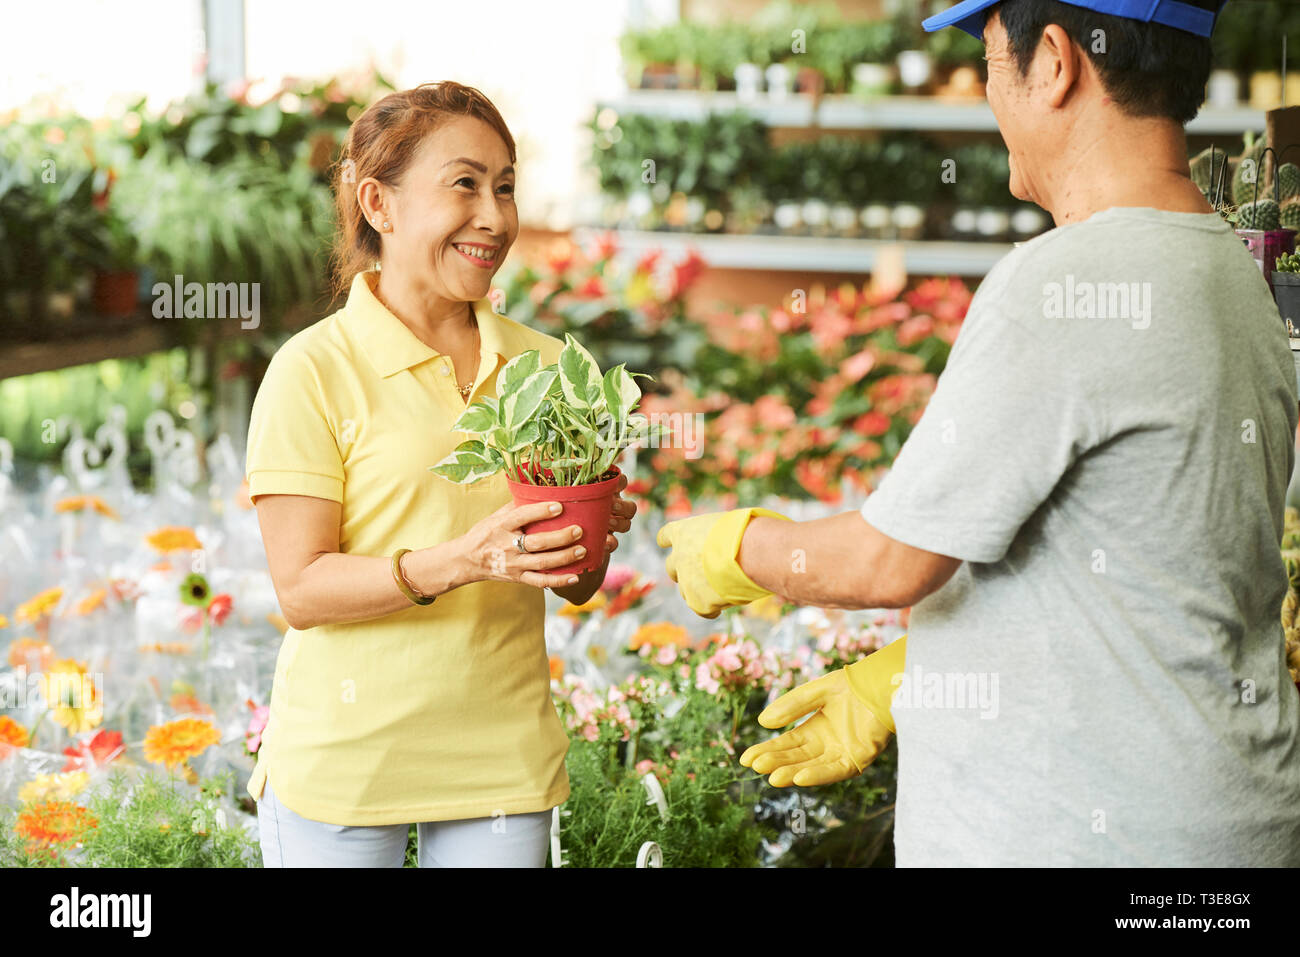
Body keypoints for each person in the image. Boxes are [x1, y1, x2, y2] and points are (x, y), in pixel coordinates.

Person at [657, 0, 1300, 866]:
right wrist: (911, 677)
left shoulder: (1064, 281)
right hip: (1219, 825)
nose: (987, 94)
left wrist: (735, 547)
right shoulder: (1231, 269)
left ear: (1059, 64)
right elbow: (1143, 570)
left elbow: (889, 561)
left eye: (996, 59)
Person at [245, 81, 635, 867]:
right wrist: (465, 558)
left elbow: (578, 586)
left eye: (505, 187)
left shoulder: (552, 367)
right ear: (378, 205)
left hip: (499, 762)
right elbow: (303, 588)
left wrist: (583, 539)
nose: (494, 216)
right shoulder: (312, 370)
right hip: (344, 766)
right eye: (464, 184)